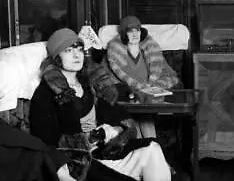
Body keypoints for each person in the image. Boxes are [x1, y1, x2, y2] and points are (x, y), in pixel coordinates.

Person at [29, 28, 171, 181]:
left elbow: (118, 115)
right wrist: (89, 139)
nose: (77, 55)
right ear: (57, 57)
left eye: (79, 49)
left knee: (152, 148)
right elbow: (45, 142)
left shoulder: (91, 83)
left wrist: (115, 129)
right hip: (79, 163)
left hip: (104, 151)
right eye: (68, 51)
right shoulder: (45, 93)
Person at [106, 16, 180, 137]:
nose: (135, 34)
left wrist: (156, 86)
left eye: (137, 30)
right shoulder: (116, 53)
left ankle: (151, 149)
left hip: (148, 101)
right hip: (129, 100)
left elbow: (171, 76)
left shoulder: (151, 50)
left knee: (145, 119)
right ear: (124, 34)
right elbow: (109, 82)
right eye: (130, 31)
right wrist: (133, 90)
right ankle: (149, 150)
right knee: (136, 127)